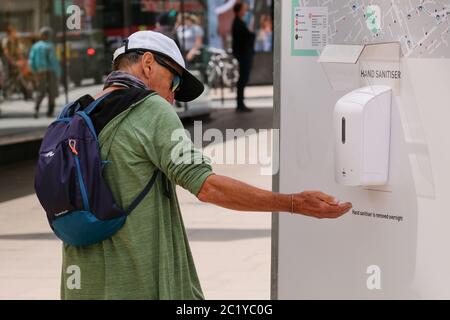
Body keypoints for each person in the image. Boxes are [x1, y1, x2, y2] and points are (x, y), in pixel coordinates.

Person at [59, 30, 352, 300]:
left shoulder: (78, 112)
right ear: (147, 64)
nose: (172, 96)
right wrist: (294, 203)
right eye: (173, 82)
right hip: (138, 285)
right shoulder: (149, 108)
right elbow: (208, 187)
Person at [28, 27, 61, 118]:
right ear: (47, 36)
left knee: (40, 92)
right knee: (51, 92)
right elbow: (53, 60)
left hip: (40, 72)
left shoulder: (35, 46)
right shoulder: (50, 46)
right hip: (50, 72)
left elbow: (31, 61)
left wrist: (35, 72)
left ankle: (36, 109)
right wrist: (58, 73)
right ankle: (50, 112)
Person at [232, 2, 256, 112]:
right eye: (243, 9)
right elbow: (243, 40)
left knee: (243, 79)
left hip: (244, 54)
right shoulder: (238, 23)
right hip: (243, 54)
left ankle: (240, 103)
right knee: (242, 79)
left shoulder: (240, 22)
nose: (245, 11)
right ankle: (240, 104)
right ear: (239, 10)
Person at [1, 26, 31, 100]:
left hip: (15, 62)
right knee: (8, 78)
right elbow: (6, 53)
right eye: (14, 32)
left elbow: (18, 52)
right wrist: (13, 62)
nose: (15, 33)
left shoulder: (15, 41)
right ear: (10, 33)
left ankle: (26, 93)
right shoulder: (6, 40)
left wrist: (22, 60)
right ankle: (5, 91)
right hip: (7, 62)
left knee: (18, 77)